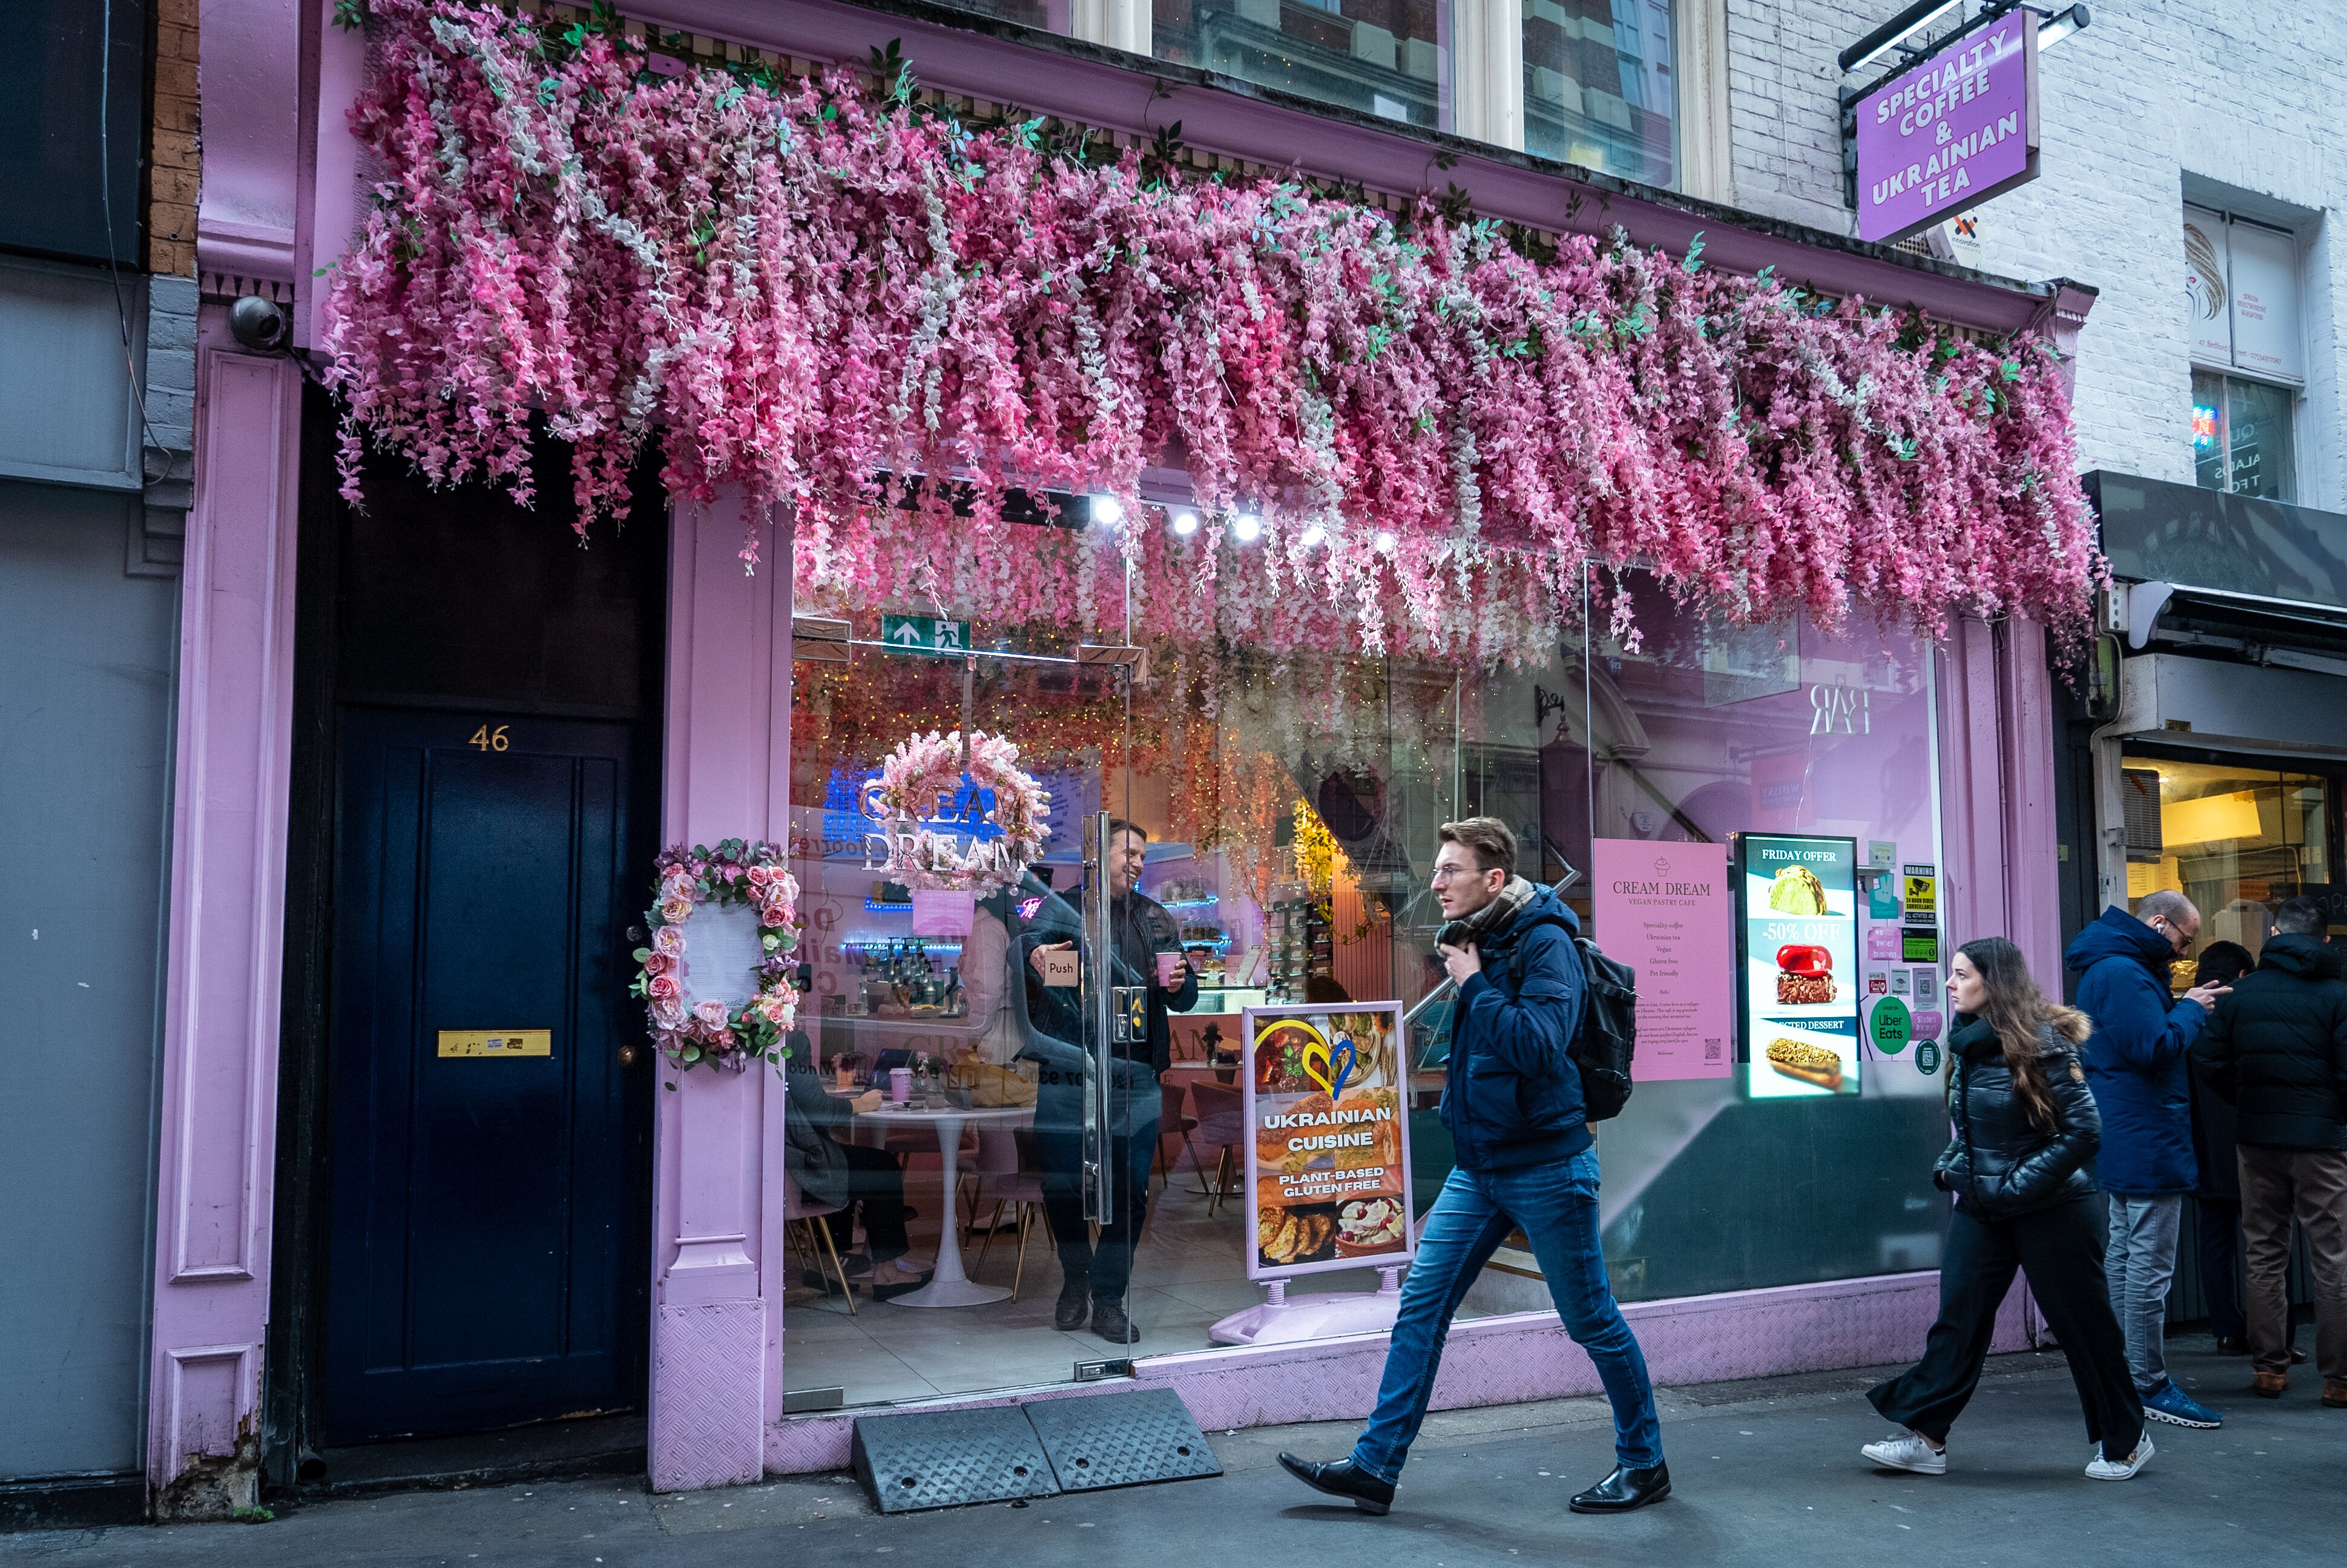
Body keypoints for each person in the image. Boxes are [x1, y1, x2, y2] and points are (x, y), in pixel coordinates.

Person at [1278, 817, 1666, 1518]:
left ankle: (1645, 1463)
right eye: (1436, 868)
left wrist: (1476, 984)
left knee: (1590, 1320)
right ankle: (1374, 1466)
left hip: (1547, 1165)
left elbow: (1539, 1046)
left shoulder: (1543, 940)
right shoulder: (1479, 940)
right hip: (1479, 1168)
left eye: (1449, 870)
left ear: (1492, 879)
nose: (1435, 883)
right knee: (1420, 1309)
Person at [1865, 938, 2152, 1480]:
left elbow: (2084, 1131)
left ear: (1992, 982)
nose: (1949, 984)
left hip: (2054, 1208)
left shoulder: (2043, 1044)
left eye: (1960, 975)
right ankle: (1926, 1438)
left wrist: (2017, 1184)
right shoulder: (1970, 1043)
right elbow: (1971, 1127)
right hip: (1983, 1204)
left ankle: (2126, 1440)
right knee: (1959, 1319)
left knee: (2082, 1328)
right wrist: (1949, 1165)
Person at [1023, 818, 1197, 1345]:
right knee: (1061, 1185)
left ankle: (1106, 1299)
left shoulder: (1156, 919)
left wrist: (1181, 982)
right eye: (1130, 852)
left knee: (1130, 1192)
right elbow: (1039, 981)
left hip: (1135, 1075)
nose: (1139, 862)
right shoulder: (1058, 908)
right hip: (1068, 1071)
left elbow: (1182, 999)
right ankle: (1074, 1281)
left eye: (1144, 855)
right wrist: (1049, 962)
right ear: (1097, 855)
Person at [2066, 891, 2232, 1429]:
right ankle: (2147, 1382)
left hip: (2126, 1130)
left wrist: (2182, 1005)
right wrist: (2190, 1009)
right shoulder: (2123, 973)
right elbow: (2151, 1047)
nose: (2184, 952)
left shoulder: (2109, 965)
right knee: (2148, 1267)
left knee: (2124, 1255)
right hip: (2146, 1133)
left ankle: (2123, 1373)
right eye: (2184, 940)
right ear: (2159, 924)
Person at [2193, 896, 2347, 1408]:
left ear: (2274, 935)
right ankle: (2338, 1377)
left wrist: (2246, 1100)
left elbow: (2209, 1061)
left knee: (2263, 1252)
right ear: (2324, 940)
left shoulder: (2239, 995)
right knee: (2333, 1256)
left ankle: (2269, 1370)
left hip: (2256, 1138)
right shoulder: (2337, 995)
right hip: (2322, 1141)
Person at [780, 1044, 931, 1300]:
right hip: (803, 1168)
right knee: (884, 1167)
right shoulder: (792, 1040)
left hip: (783, 1166)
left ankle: (826, 1266)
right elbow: (819, 1111)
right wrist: (859, 1104)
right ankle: (888, 1274)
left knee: (845, 1160)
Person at [2185, 941, 2256, 1355]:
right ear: (2242, 975)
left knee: (2213, 1240)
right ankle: (2274, 1338)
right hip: (2251, 1142)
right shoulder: (2245, 1009)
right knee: (2266, 1243)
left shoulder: (2185, 1013)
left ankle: (2227, 1329)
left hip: (2203, 1148)